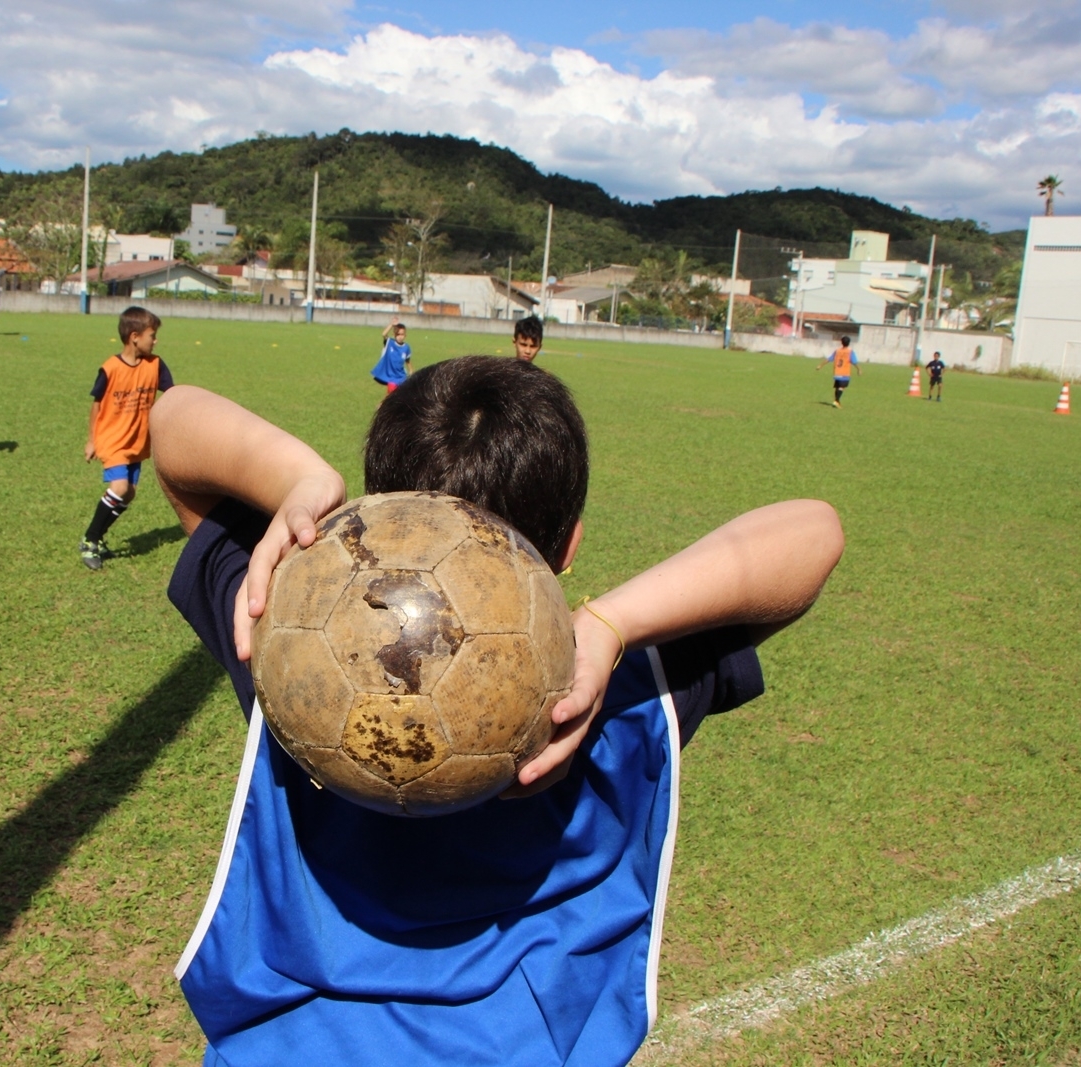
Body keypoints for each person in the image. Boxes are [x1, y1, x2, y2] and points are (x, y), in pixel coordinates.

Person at [148, 356, 843, 1067]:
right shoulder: (620, 694)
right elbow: (815, 532)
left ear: (380, 511)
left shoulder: (290, 653)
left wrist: (303, 481)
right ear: (568, 545)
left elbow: (171, 421)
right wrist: (611, 623)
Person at [79, 306, 172, 570]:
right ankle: (90, 540)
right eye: (152, 335)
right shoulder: (110, 369)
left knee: (128, 494)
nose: (155, 341)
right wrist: (91, 440)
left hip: (137, 442)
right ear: (134, 336)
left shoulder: (155, 365)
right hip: (112, 440)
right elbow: (96, 405)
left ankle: (98, 537)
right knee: (119, 488)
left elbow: (172, 394)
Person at [817, 334, 860, 407]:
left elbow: (829, 359)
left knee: (837, 387)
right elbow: (854, 362)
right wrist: (859, 369)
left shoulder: (837, 351)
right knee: (841, 387)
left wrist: (820, 365)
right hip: (845, 373)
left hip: (837, 372)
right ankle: (836, 401)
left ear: (841, 342)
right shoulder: (850, 352)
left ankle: (837, 401)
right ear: (849, 343)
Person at [371, 320, 411, 394]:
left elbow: (407, 360)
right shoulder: (390, 343)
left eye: (402, 334)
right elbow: (384, 334)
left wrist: (411, 370)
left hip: (401, 376)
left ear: (405, 335)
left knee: (399, 396)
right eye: (398, 334)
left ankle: (382, 405)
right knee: (392, 394)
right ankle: (382, 405)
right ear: (394, 335)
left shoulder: (406, 347)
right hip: (391, 376)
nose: (400, 337)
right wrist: (391, 325)